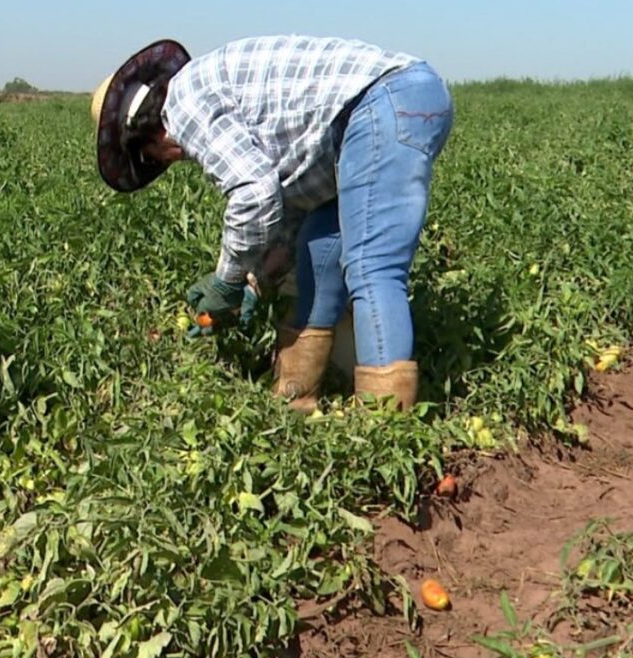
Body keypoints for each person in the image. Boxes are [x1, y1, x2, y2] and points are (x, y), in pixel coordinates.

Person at [89, 35, 453, 411]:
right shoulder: (204, 95)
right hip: (383, 110)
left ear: (148, 138)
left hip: (385, 99)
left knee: (371, 265)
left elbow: (254, 194)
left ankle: (384, 423)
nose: (172, 161)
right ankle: (296, 401)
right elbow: (287, 205)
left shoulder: (182, 106)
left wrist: (226, 281)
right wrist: (255, 284)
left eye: (156, 158)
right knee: (317, 250)